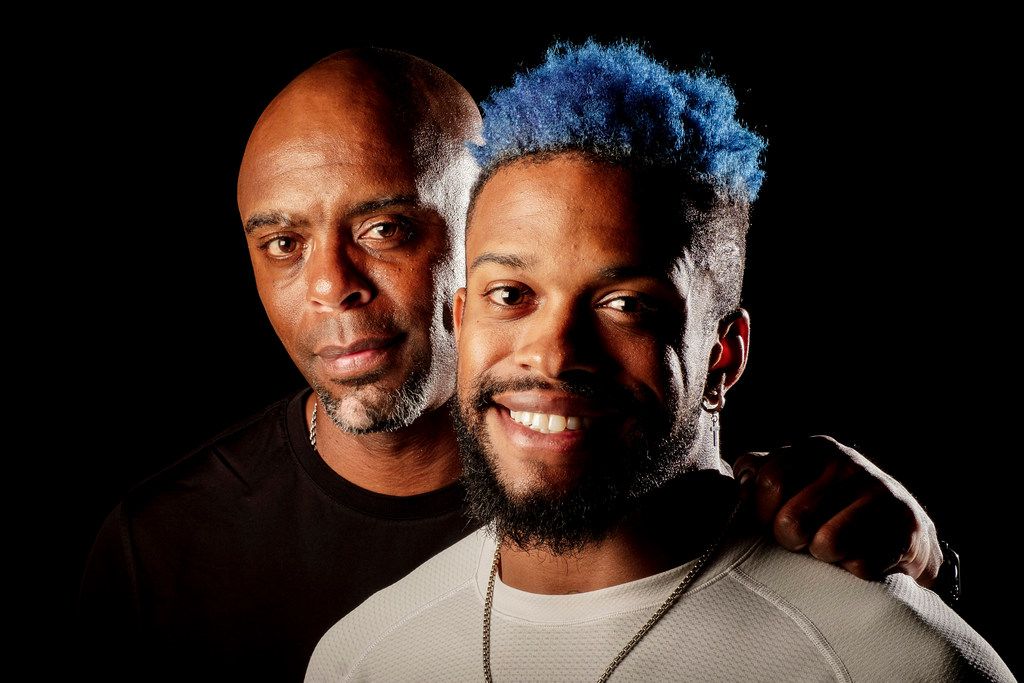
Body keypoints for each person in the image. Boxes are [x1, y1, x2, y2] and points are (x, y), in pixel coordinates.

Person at [80, 48, 950, 680]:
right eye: (281, 242)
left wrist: (921, 558)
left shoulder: (656, 442)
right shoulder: (162, 549)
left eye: (386, 230)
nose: (331, 286)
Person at [306, 42, 1011, 681]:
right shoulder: (365, 654)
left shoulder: (895, 661)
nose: (553, 353)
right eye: (511, 294)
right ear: (462, 321)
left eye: (625, 304)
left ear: (724, 355)